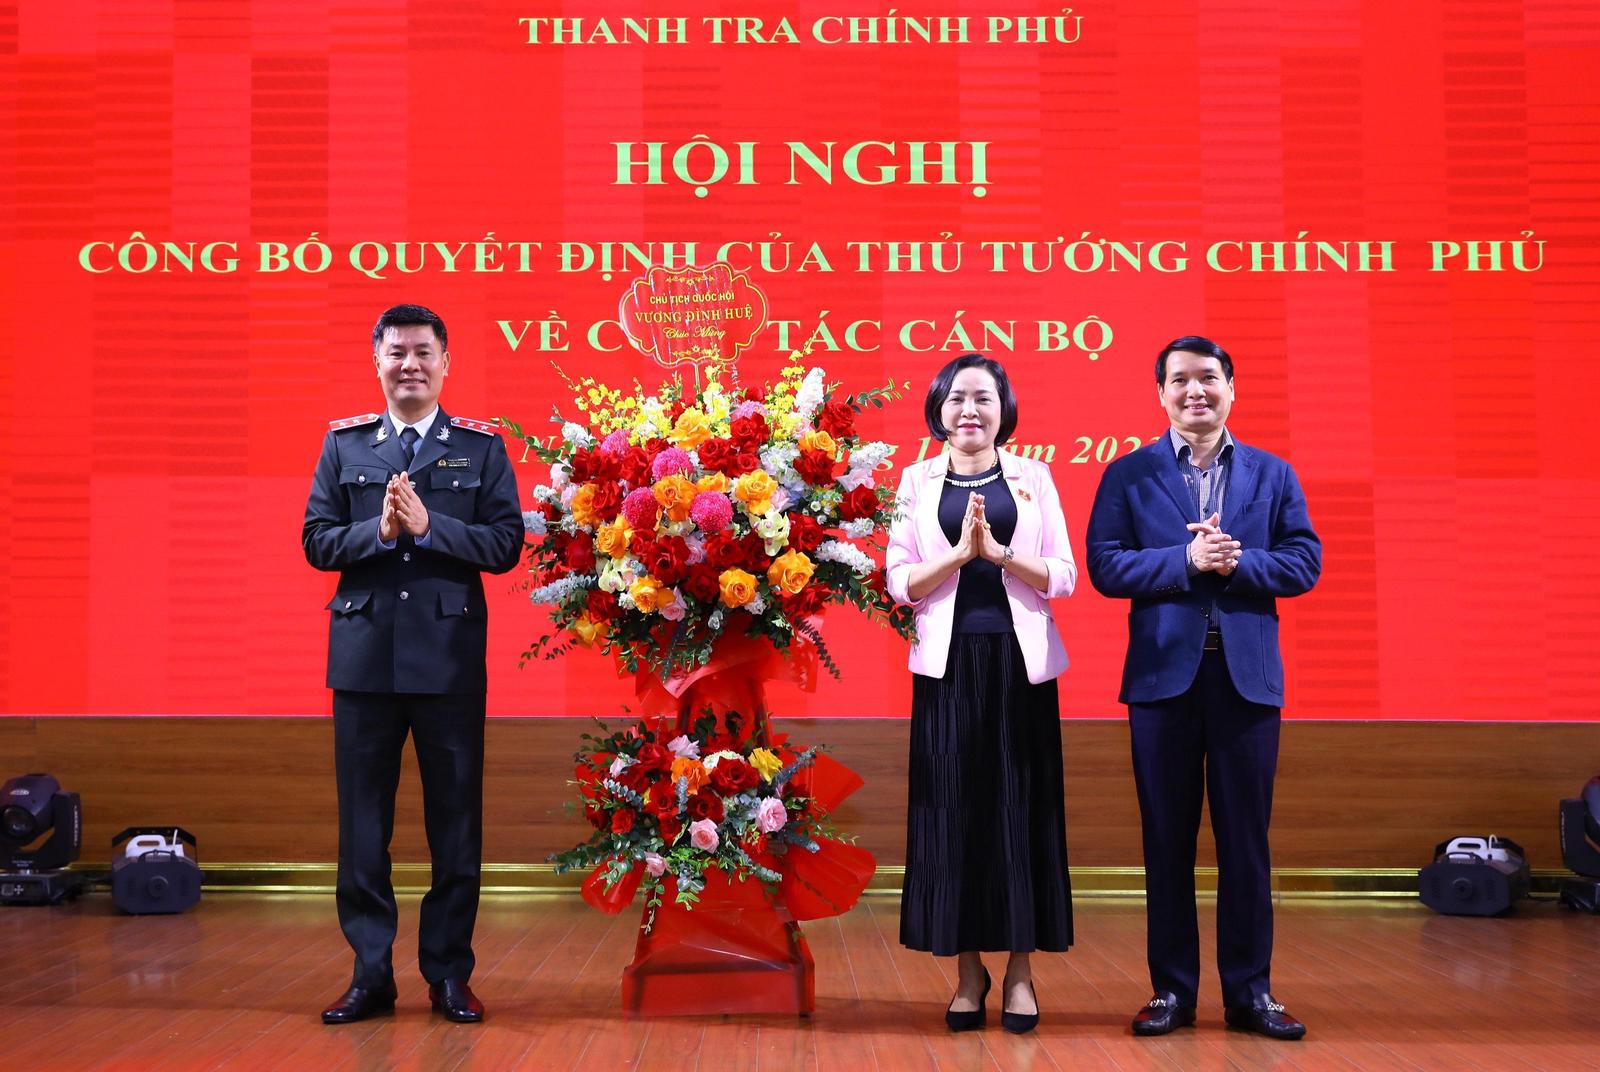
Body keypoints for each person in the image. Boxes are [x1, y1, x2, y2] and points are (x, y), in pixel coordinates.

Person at [1084, 335, 1320, 1041]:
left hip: (1247, 683)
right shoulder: (1128, 475)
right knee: (1167, 841)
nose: (1196, 391)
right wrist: (1186, 560)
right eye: (1180, 380)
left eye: (1208, 378)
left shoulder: (1273, 473)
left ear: (1231, 388)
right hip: (1162, 682)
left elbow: (1303, 562)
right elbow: (1105, 566)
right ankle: (1171, 992)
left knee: (1246, 842)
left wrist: (1237, 563)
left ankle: (1251, 994)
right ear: (1160, 394)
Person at [303, 304, 523, 1025]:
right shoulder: (345, 445)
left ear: (445, 362)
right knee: (363, 832)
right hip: (363, 663)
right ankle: (371, 977)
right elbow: (316, 540)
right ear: (377, 362)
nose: (410, 365)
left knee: (455, 829)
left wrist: (431, 528)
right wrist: (378, 529)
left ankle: (449, 976)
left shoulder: (480, 449)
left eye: (423, 352)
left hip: (447, 665)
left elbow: (505, 545)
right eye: (396, 352)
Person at [885, 354, 1077, 1034]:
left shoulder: (1034, 477)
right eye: (957, 397)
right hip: (946, 670)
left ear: (1004, 409)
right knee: (953, 815)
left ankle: (1021, 973)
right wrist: (960, 555)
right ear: (938, 409)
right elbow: (898, 582)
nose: (970, 409)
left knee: (1022, 813)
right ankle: (969, 974)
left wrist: (999, 556)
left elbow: (1063, 575)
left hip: (1020, 667)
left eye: (984, 398)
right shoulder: (915, 480)